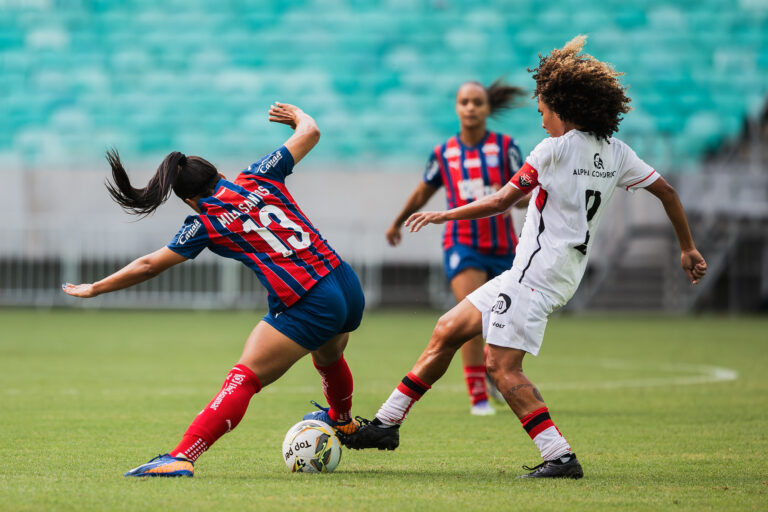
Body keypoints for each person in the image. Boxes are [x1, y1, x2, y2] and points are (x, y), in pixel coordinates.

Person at [339, 36, 707, 479]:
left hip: (535, 276)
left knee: (500, 366)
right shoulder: (617, 152)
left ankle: (560, 456)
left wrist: (445, 214)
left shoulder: (552, 150)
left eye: (543, 113)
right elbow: (666, 192)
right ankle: (387, 424)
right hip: (551, 273)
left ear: (561, 106)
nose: (542, 122)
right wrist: (687, 247)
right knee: (448, 329)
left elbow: (499, 202)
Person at [62, 103, 365, 477]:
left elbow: (148, 265)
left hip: (309, 298)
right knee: (329, 355)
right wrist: (298, 116)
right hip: (346, 282)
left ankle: (181, 457)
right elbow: (311, 132)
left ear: (189, 200)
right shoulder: (260, 174)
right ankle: (344, 421)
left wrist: (95, 288)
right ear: (220, 173)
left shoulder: (205, 222)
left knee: (244, 377)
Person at [385, 79, 527, 415]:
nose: (471, 108)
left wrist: (518, 199)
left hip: (504, 245)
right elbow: (422, 193)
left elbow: (523, 193)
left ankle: (495, 375)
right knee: (471, 317)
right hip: (463, 243)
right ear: (457, 107)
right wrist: (397, 221)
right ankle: (477, 394)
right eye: (465, 102)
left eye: (477, 102)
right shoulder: (444, 153)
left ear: (487, 108)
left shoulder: (506, 148)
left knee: (502, 321)